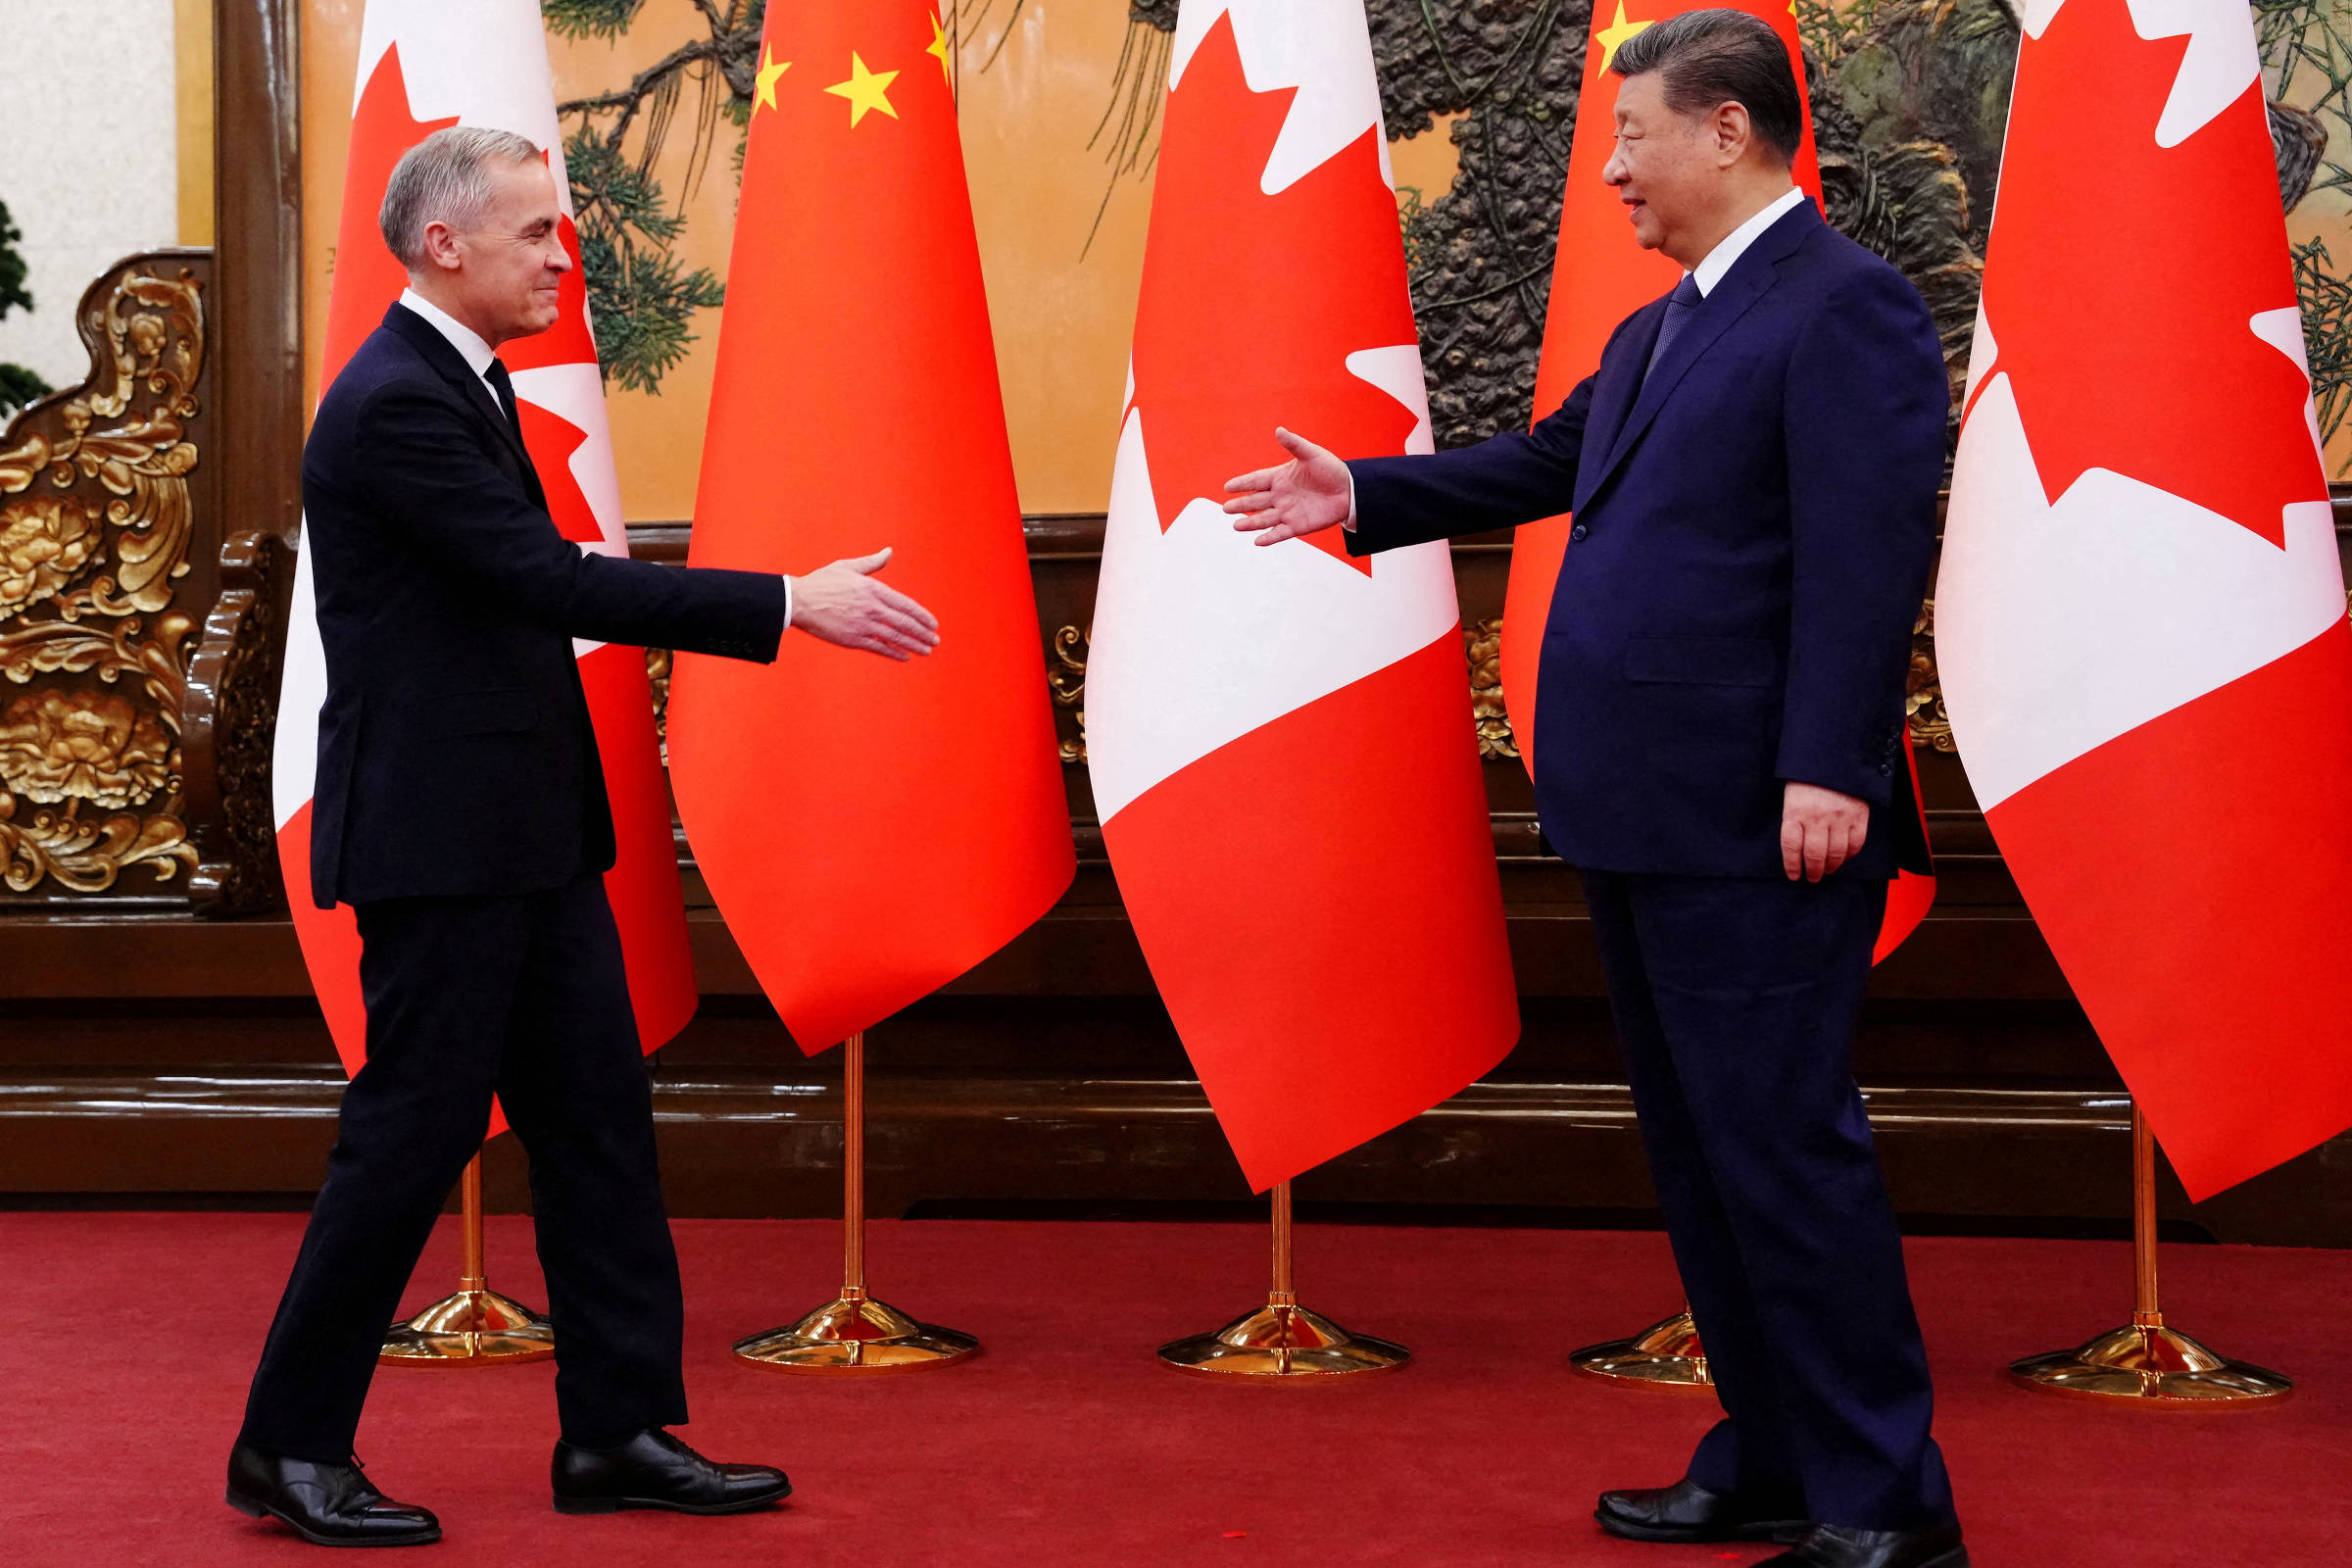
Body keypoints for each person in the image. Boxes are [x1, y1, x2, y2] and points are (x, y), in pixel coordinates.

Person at [1224, 13, 1961, 1568]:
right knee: (1705, 1160)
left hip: (1768, 817)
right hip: (1645, 810)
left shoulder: (1849, 310)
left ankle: (1885, 1503)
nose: (1613, 169)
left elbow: (1865, 553)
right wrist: (1359, 491)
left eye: (1633, 136)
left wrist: (1830, 762)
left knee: (1783, 1152)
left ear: (1730, 134)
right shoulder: (1661, 326)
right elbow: (1548, 461)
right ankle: (1768, 1457)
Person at [226, 126, 940, 1548]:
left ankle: (616, 1430)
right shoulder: (395, 405)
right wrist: (786, 603)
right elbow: (544, 580)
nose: (567, 255)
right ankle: (286, 1448)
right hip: (442, 850)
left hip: (528, 838)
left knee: (599, 1130)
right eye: (538, 234)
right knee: (408, 1144)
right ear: (444, 246)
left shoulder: (457, 383)